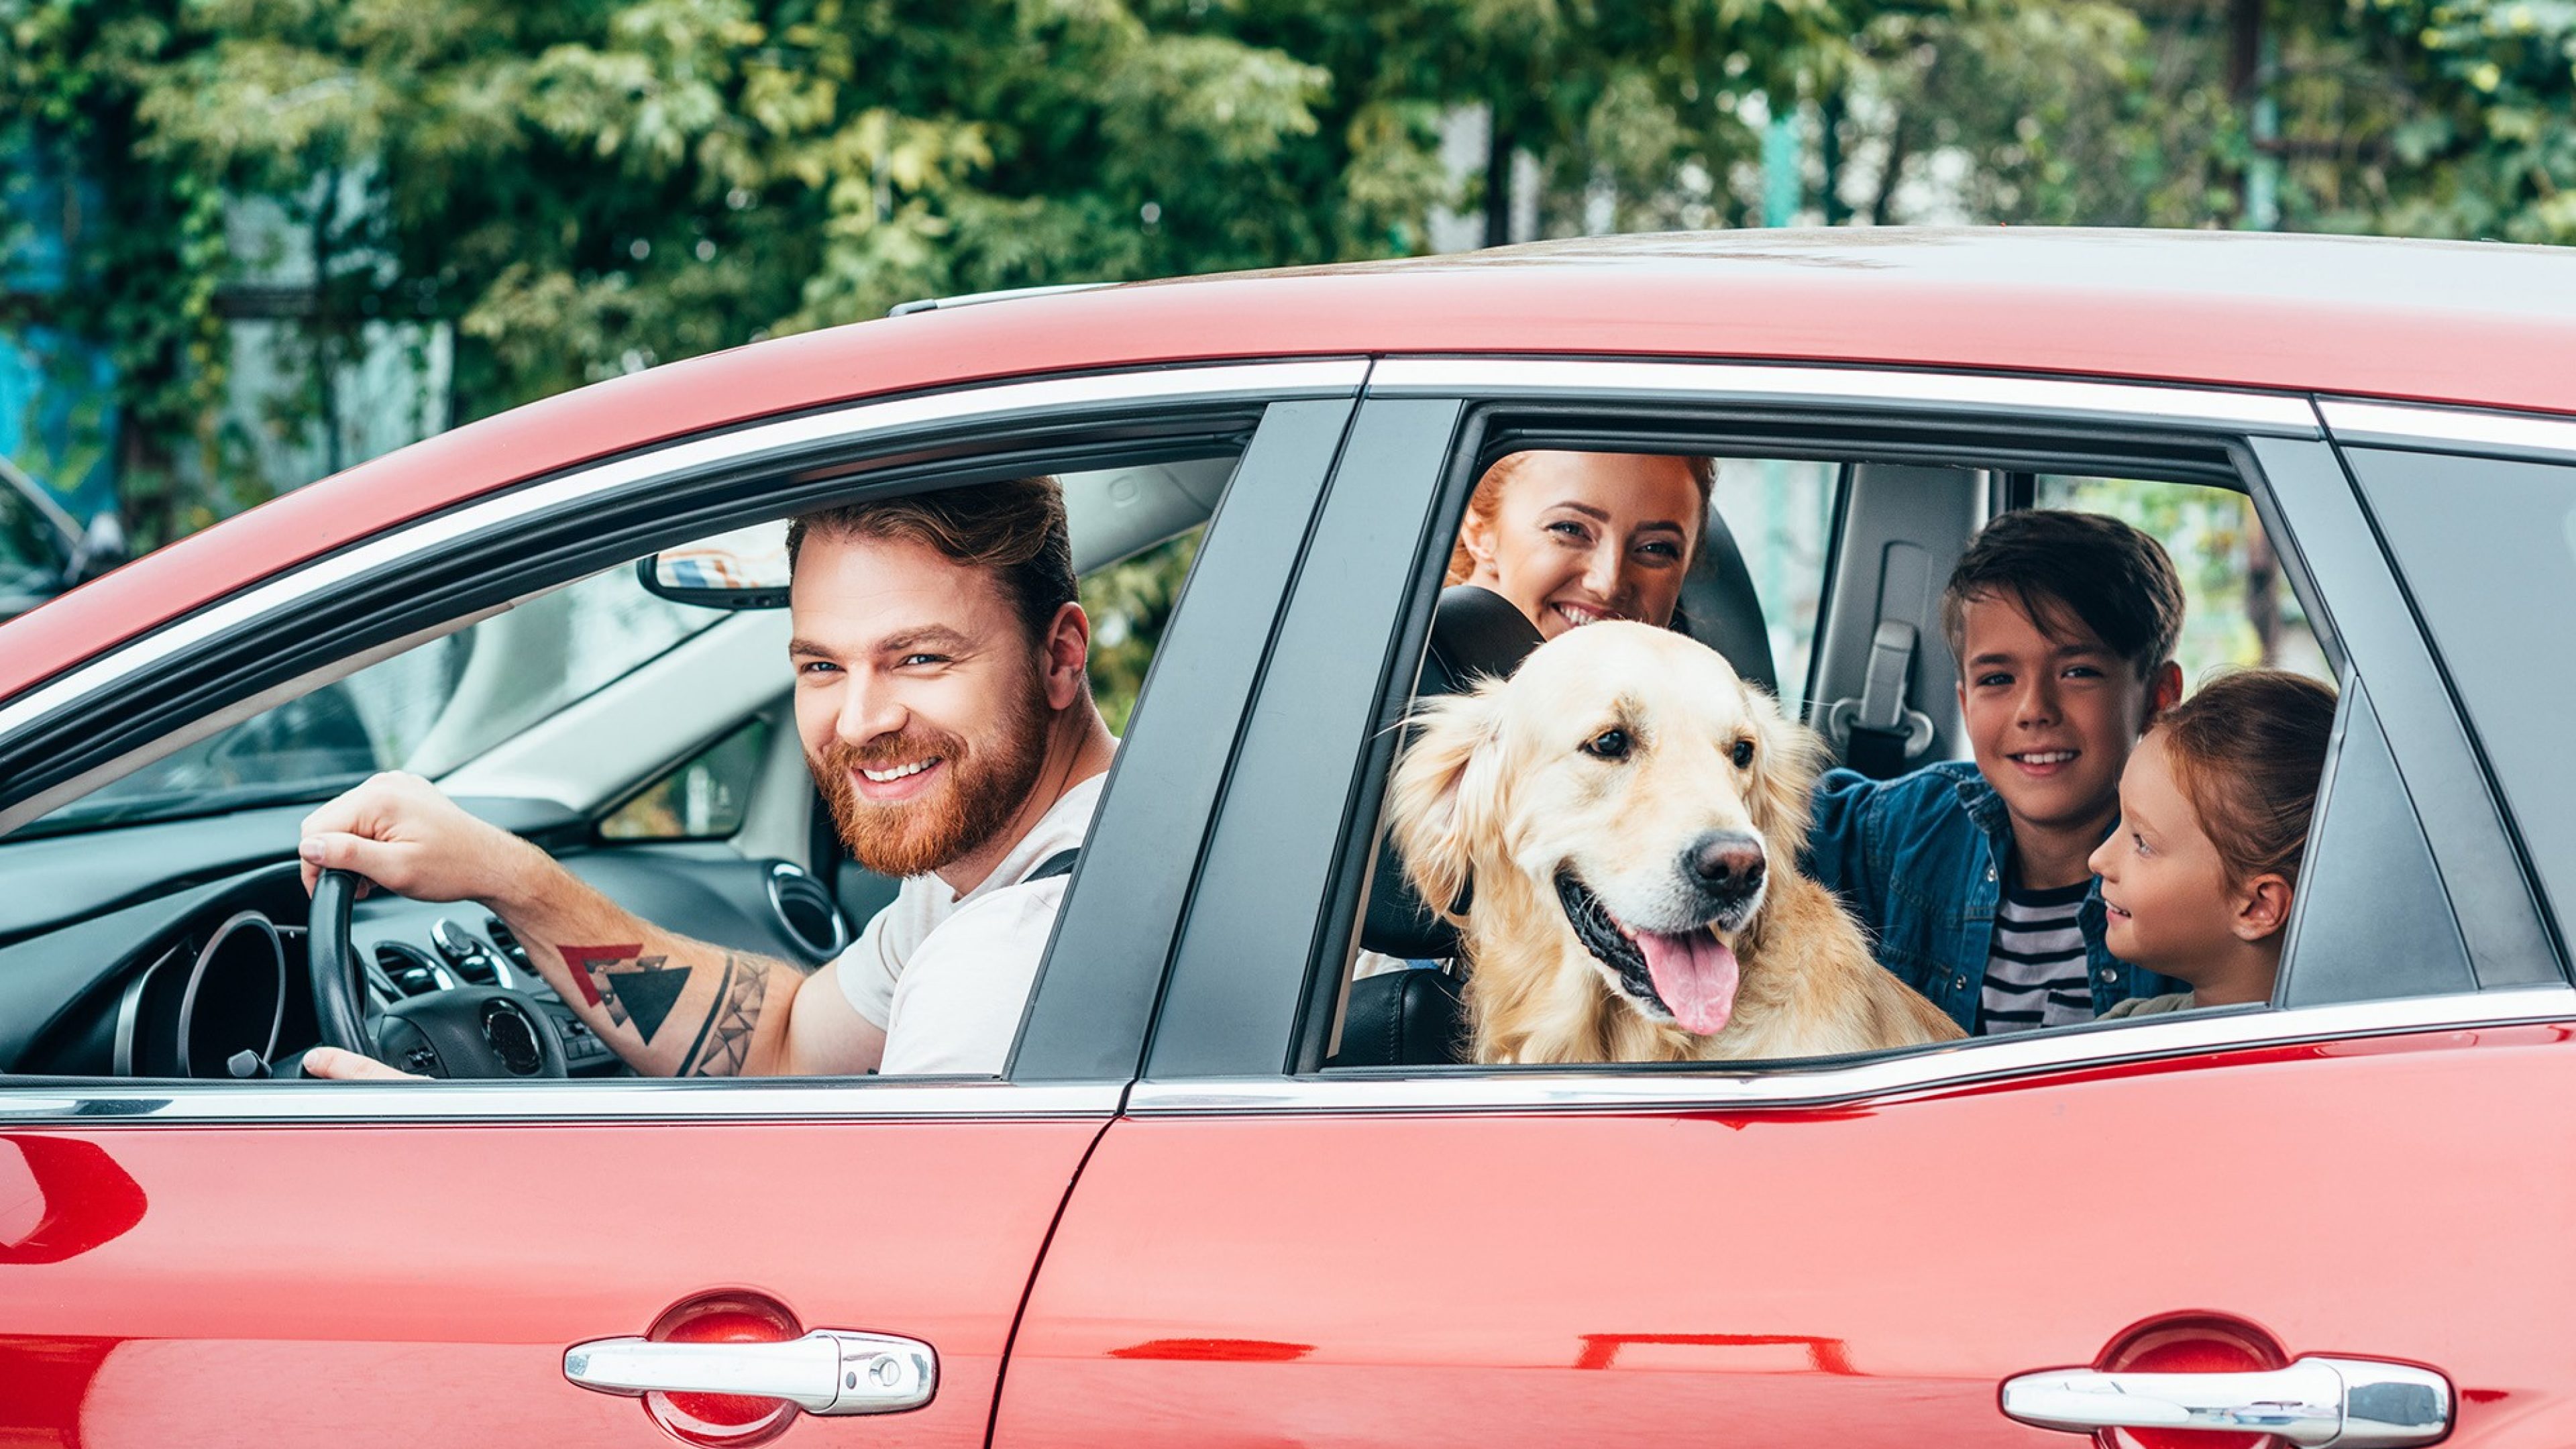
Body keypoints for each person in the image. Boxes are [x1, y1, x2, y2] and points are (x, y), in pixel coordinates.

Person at [296, 476, 1116, 1079]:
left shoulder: (1004, 962)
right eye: (823, 665)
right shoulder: (1018, 866)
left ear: (1060, 656)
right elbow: (781, 1041)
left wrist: (435, 1156)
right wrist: (507, 877)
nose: (862, 720)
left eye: (920, 658)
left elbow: (847, 1292)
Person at [1805, 510, 2190, 1035]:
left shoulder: (2199, 874)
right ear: (1964, 703)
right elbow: (1758, 817)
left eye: (2078, 672)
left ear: (2159, 697)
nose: (2034, 709)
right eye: (1998, 679)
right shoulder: (1903, 830)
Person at [2090, 670, 2338, 1018]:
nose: (2098, 859)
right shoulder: (2121, 1029)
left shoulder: (2120, 1051)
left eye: (2142, 843)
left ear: (2257, 906)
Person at [1445, 450, 1713, 637]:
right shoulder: (1411, 692)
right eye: (1570, 529)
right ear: (1480, 532)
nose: (1607, 584)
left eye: (1655, 548)